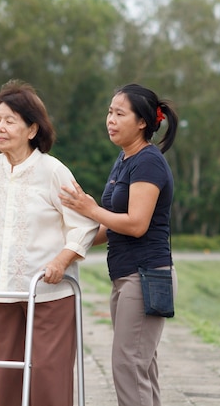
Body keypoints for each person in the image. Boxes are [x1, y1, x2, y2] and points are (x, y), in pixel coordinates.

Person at [0, 79, 99, 406]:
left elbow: (84, 225)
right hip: (0, 289)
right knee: (6, 375)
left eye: (9, 121)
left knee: (48, 374)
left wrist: (61, 262)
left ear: (32, 129)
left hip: (47, 291)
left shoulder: (53, 171)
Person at [59, 83, 179, 406]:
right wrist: (69, 247)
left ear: (142, 122)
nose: (110, 119)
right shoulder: (124, 160)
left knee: (129, 365)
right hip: (125, 276)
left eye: (119, 113)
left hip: (146, 276)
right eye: (110, 112)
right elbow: (110, 226)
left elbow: (137, 224)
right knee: (140, 365)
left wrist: (90, 209)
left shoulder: (148, 162)